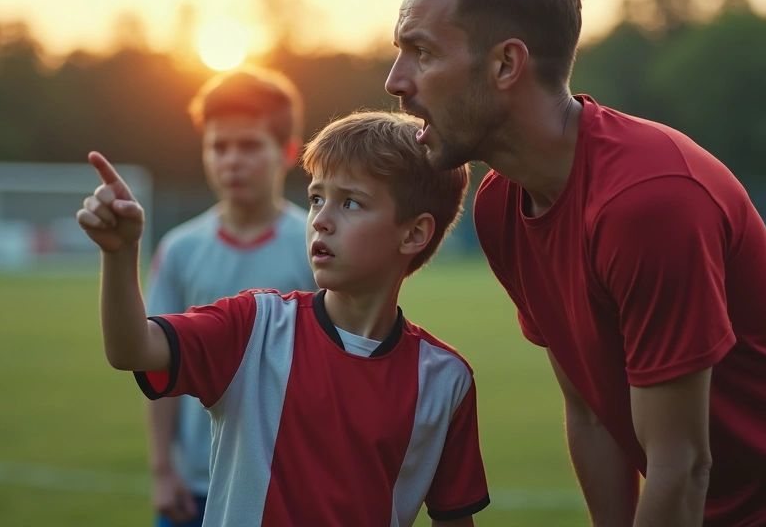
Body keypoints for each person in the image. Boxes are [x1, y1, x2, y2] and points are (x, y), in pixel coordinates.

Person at [384, 0, 766, 527]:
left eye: (421, 52)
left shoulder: (648, 201)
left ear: (506, 63)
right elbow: (593, 412)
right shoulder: (499, 206)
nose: (397, 80)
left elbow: (681, 464)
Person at [77, 110, 489, 526]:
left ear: (414, 233)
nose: (321, 220)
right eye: (315, 198)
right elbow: (131, 348)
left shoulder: (444, 380)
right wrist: (119, 253)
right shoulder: (253, 326)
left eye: (350, 202)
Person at [143, 67, 316, 527]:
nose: (232, 161)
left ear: (287, 151)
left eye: (249, 146)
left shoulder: (318, 245)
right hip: (196, 485)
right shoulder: (179, 250)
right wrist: (163, 469)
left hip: (290, 484)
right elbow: (158, 368)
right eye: (219, 147)